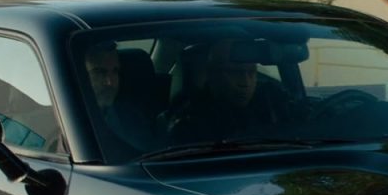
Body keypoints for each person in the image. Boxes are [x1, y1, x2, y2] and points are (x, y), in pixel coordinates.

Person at [167, 39, 296, 142]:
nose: (245, 82)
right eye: (234, 72)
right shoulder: (191, 121)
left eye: (251, 72)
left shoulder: (272, 100)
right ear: (212, 74)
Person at [83, 41, 157, 153]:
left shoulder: (132, 117)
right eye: (99, 72)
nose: (110, 82)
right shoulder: (70, 124)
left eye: (115, 71)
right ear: (81, 75)